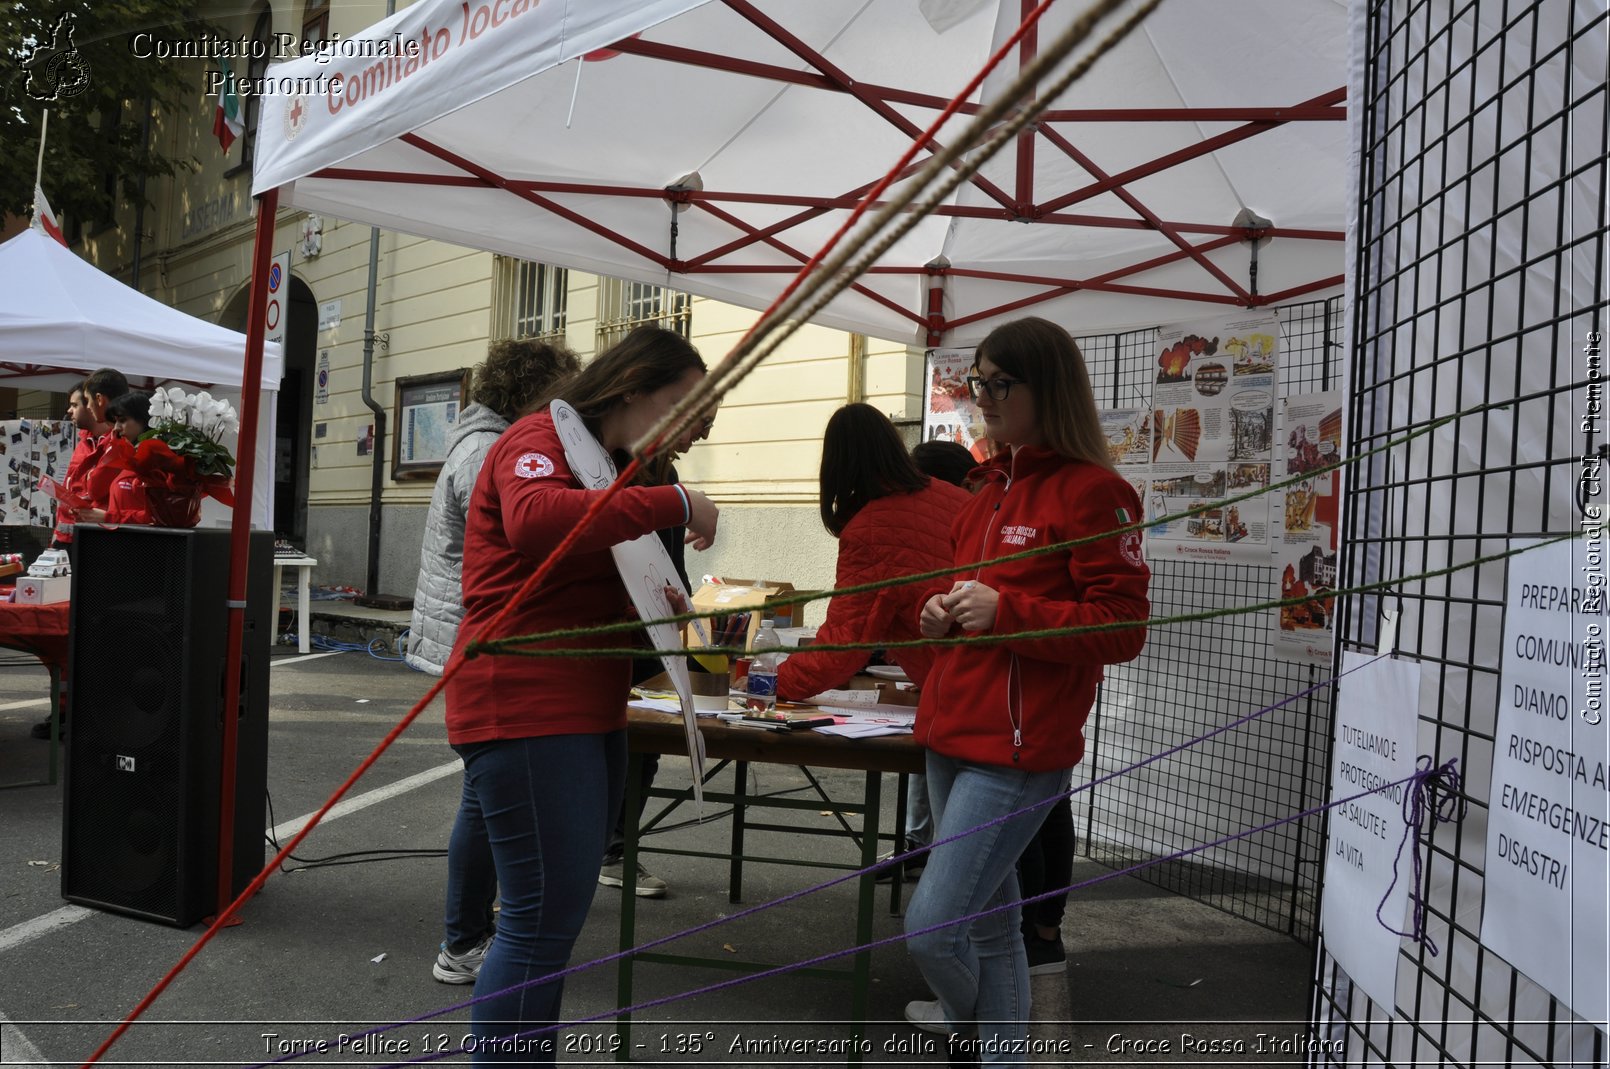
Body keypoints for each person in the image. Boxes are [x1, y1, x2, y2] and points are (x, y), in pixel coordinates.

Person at [444, 326, 717, 1064]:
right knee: (538, 923)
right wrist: (676, 503)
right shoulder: (538, 437)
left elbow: (598, 574)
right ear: (630, 385)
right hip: (528, 704)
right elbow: (538, 524)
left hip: (579, 704)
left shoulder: (606, 462)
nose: (688, 425)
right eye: (679, 402)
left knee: (552, 922)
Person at [903, 317, 1150, 1063]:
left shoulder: (1096, 491)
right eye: (976, 380)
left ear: (1048, 388)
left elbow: (1121, 627)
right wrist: (937, 617)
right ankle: (1001, 1050)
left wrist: (1008, 612)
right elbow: (969, 606)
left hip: (1017, 752)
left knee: (935, 926)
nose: (982, 396)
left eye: (998, 382)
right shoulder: (982, 492)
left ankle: (975, 1029)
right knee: (988, 927)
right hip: (952, 734)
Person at [407, 340, 582, 986]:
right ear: (532, 392)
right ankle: (462, 941)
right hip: (478, 641)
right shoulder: (491, 449)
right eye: (562, 391)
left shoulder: (486, 439)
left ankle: (471, 932)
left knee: (483, 796)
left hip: (471, 635)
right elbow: (520, 538)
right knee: (483, 798)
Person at [770, 405, 969, 877]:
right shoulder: (954, 498)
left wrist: (766, 685)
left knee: (963, 875)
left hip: (956, 695)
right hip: (1001, 682)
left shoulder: (870, 529)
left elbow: (844, 643)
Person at [597, 410, 717, 900]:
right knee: (607, 751)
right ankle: (601, 849)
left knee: (640, 747)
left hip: (651, 634)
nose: (706, 432)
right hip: (612, 639)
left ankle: (614, 849)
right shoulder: (611, 465)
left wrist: (683, 606)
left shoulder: (665, 472)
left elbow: (669, 563)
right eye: (702, 418)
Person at [99, 391, 153, 525]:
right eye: (116, 421)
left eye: (122, 420)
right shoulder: (132, 458)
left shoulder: (161, 464)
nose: (116, 428)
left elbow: (162, 517)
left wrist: (108, 517)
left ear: (145, 419)